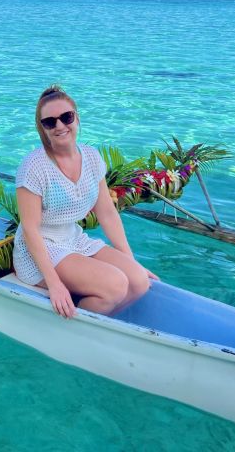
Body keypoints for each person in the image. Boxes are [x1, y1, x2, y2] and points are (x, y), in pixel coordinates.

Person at [13, 85, 158, 319]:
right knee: (116, 285)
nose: (59, 125)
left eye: (66, 117)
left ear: (76, 118)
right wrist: (55, 284)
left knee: (138, 282)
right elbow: (30, 229)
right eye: (50, 122)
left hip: (73, 239)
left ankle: (100, 319)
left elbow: (107, 213)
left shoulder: (91, 156)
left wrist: (129, 261)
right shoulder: (33, 167)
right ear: (42, 129)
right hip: (41, 249)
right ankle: (76, 330)